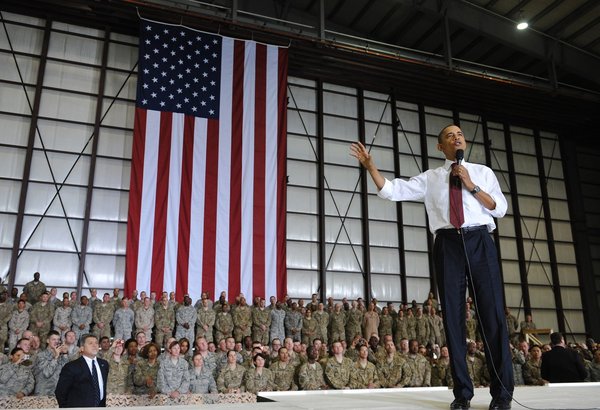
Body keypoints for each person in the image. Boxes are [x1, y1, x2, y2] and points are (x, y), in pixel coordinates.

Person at [351, 124, 513, 410]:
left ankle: (502, 395)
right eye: (450, 135)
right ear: (441, 147)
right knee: (452, 318)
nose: (457, 138)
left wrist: (470, 185)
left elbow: (499, 208)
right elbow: (393, 190)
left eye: (460, 134)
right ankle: (462, 394)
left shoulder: (482, 172)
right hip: (448, 244)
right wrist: (371, 167)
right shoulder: (431, 178)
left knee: (493, 317)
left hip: (479, 241)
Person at [55, 334, 110, 407]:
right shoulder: (71, 366)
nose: (94, 345)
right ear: (82, 348)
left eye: (96, 343)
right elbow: (60, 392)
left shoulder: (104, 364)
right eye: (90, 343)